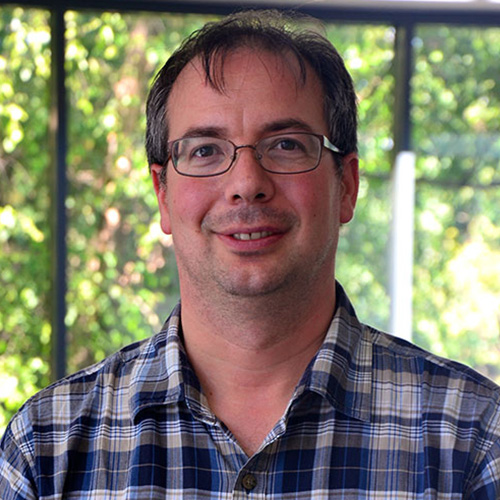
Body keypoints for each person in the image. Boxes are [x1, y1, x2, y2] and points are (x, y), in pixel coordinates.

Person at [1, 9, 500, 499]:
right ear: (162, 195)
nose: (246, 185)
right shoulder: (47, 449)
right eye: (205, 150)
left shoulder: (474, 441)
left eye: (285, 144)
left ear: (346, 186)